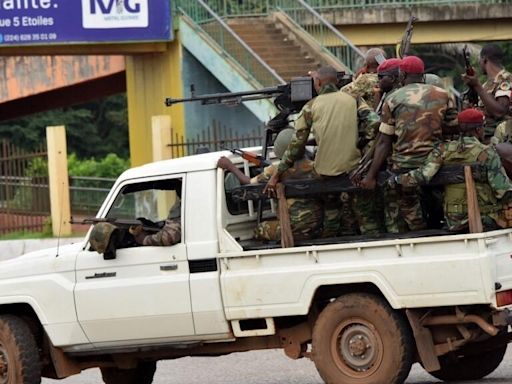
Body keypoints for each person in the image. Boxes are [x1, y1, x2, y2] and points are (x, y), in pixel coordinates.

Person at [264, 65, 381, 236]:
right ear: (339, 81)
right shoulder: (353, 99)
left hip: (325, 174)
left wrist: (276, 175)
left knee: (332, 213)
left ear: (317, 82)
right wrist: (362, 140)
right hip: (353, 170)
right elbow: (375, 124)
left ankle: (332, 239)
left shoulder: (310, 107)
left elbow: (295, 146)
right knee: (366, 219)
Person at [360, 56, 456, 233]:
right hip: (435, 165)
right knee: (437, 208)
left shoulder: (392, 99)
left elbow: (384, 141)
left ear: (402, 74)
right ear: (422, 74)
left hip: (403, 166)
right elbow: (453, 128)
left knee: (401, 211)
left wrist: (371, 175)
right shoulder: (444, 95)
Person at [397, 109, 512, 231]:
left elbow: (423, 175)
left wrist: (396, 179)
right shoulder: (488, 153)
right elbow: (502, 190)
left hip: (453, 221)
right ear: (479, 130)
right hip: (484, 219)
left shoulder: (443, 150)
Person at [217, 128, 323, 241]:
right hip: (318, 227)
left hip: (293, 230)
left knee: (259, 229)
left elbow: (247, 181)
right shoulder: (316, 167)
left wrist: (230, 166)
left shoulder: (275, 172)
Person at [462, 43, 512, 139]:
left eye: (480, 60)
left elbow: (500, 112)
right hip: (485, 137)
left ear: (484, 59)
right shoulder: (487, 85)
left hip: (501, 139)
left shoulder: (506, 79)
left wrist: (477, 86)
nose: (479, 63)